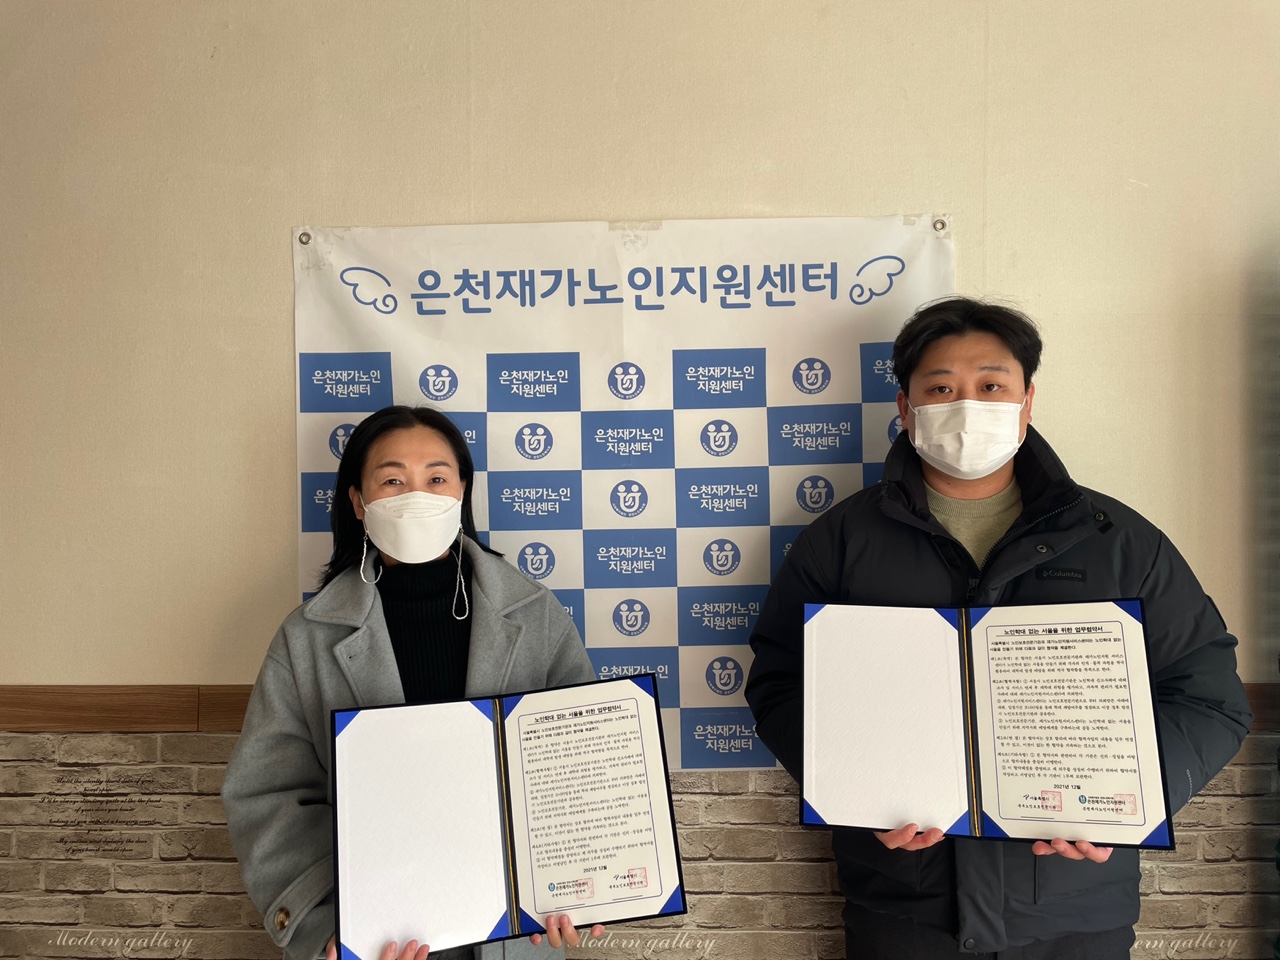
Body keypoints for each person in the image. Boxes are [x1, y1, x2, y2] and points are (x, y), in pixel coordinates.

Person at [745, 297, 1253, 958]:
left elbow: (1209, 698)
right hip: (904, 904)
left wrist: (1130, 804)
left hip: (1074, 910)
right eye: (940, 389)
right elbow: (780, 683)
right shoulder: (841, 542)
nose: (966, 407)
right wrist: (852, 795)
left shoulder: (1118, 541)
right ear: (905, 408)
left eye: (990, 386)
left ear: (1026, 402)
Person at [223, 405, 602, 960]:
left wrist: (576, 884)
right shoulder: (306, 637)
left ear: (462, 492)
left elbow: (582, 762)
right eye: (393, 481)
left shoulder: (536, 614)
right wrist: (324, 925)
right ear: (359, 501)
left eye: (437, 479)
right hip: (375, 941)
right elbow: (268, 794)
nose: (417, 496)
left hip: (516, 933)